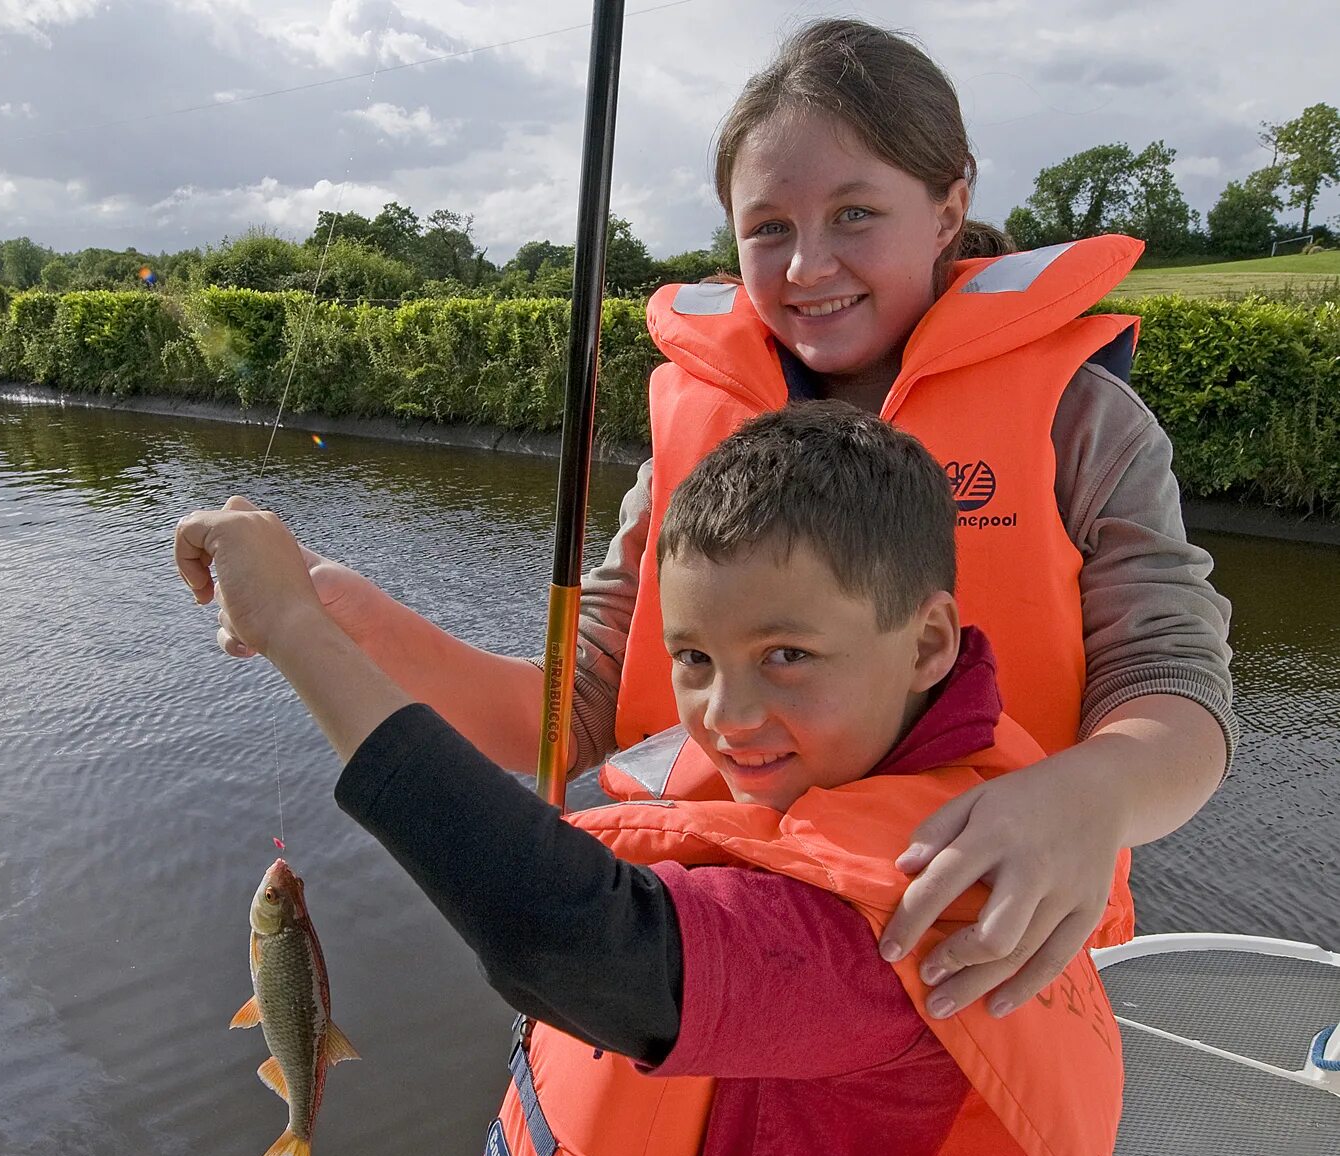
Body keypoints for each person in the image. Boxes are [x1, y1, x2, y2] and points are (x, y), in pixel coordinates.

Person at [217, 17, 1232, 1028]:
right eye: (767, 230)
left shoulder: (1080, 422)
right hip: (701, 965)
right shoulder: (693, 441)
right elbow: (573, 722)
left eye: (853, 215)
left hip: (977, 981)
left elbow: (1177, 695)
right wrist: (342, 613)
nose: (806, 268)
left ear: (946, 207)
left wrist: (1086, 797)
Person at [174, 405, 1123, 1156]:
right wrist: (339, 613)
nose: (730, 715)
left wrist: (295, 630)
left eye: (787, 654)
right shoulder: (822, 785)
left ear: (926, 646)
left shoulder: (916, 910)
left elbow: (574, 939)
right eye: (694, 659)